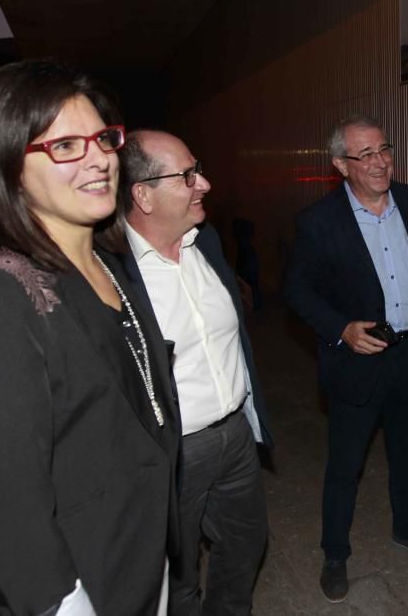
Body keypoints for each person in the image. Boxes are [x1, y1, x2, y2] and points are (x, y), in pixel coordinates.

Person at [0, 59, 182, 615]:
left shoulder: (113, 265)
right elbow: (6, 516)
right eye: (64, 148)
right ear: (8, 167)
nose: (100, 159)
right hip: (71, 590)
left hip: (138, 562)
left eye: (103, 139)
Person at [283, 115, 408, 603]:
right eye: (365, 155)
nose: (380, 162)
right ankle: (335, 552)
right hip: (358, 359)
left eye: (384, 150)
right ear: (341, 165)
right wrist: (341, 329)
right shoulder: (318, 222)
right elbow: (297, 290)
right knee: (345, 463)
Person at [115, 129, 272, 616]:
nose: (203, 182)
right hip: (173, 454)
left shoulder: (208, 244)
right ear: (142, 194)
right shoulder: (109, 273)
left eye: (197, 168)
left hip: (236, 439)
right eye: (186, 175)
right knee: (176, 573)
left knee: (246, 545)